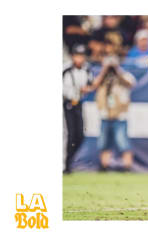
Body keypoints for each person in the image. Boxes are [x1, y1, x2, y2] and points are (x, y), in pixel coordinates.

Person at [90, 56, 136, 171]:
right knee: (103, 143)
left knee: (123, 142)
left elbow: (130, 84)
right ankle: (104, 166)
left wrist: (117, 70)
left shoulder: (125, 75)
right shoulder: (102, 78)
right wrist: (104, 70)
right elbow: (93, 85)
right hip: (105, 115)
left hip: (120, 116)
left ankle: (127, 167)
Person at [62, 45, 93, 174]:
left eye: (82, 56)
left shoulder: (86, 69)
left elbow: (90, 84)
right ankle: (65, 165)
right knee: (68, 135)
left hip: (78, 103)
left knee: (79, 135)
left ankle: (68, 162)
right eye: (77, 55)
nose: (79, 58)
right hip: (66, 104)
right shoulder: (66, 69)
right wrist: (76, 91)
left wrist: (86, 89)